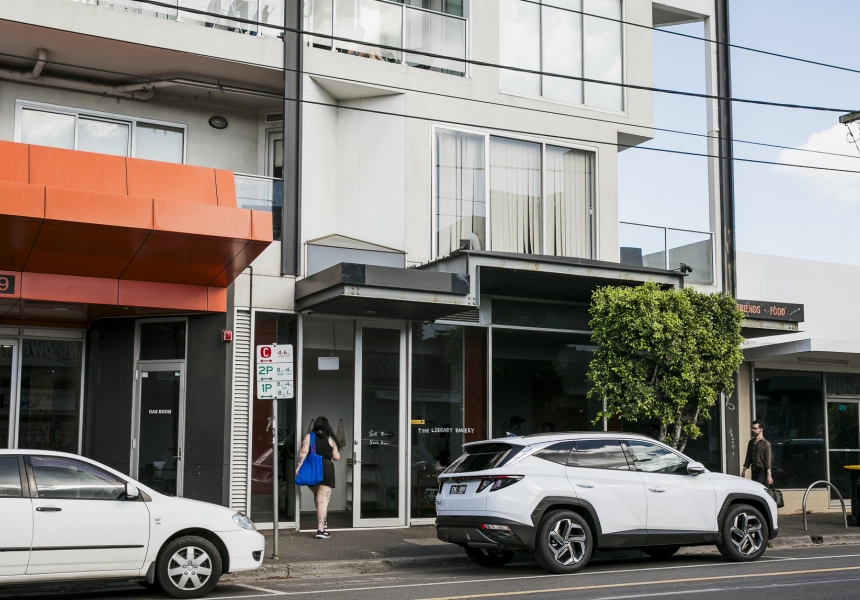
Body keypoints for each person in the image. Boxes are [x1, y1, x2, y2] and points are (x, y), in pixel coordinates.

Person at [295, 416, 342, 539]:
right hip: (326, 469)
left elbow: (303, 453)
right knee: (322, 501)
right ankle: (321, 530)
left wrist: (298, 468)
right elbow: (336, 457)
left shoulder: (309, 436)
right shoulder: (331, 438)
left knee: (318, 497)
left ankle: (323, 524)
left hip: (313, 470)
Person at [742, 419, 773, 486]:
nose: (753, 430)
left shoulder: (765, 444)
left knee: (759, 487)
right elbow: (748, 457)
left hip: (762, 471)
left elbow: (768, 460)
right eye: (752, 428)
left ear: (761, 429)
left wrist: (769, 475)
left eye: (755, 428)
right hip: (754, 470)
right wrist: (744, 471)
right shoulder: (751, 442)